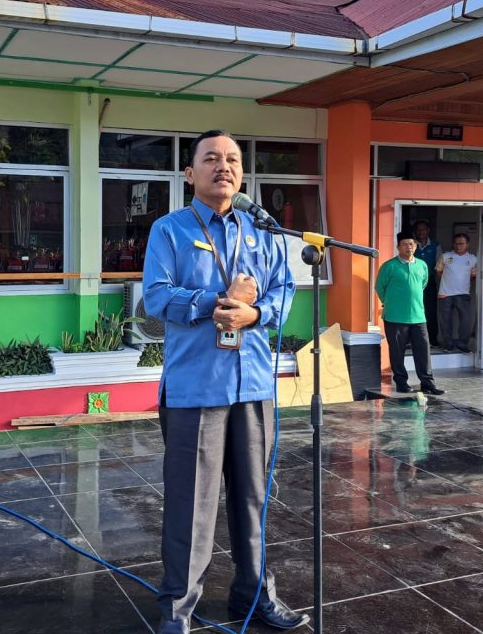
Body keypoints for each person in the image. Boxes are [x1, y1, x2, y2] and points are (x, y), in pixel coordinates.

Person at [143, 130, 306, 634]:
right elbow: (156, 296)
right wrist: (216, 301)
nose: (224, 166)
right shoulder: (169, 230)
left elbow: (285, 290)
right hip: (197, 388)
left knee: (253, 498)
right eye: (211, 158)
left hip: (253, 385)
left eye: (233, 159)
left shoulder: (263, 230)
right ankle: (177, 610)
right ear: (189, 172)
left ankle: (253, 596)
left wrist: (254, 314)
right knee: (191, 504)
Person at [375, 232, 445, 396]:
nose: (409, 247)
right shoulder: (389, 266)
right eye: (405, 244)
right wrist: (390, 302)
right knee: (397, 351)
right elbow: (380, 287)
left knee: (423, 351)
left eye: (412, 244)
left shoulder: (422, 265)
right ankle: (401, 382)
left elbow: (423, 284)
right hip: (395, 316)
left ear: (416, 246)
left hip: (418, 316)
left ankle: (427, 383)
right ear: (398, 247)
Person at [435, 233, 478, 351]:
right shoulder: (445, 256)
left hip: (463, 294)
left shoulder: (473, 259)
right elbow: (439, 272)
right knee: (445, 321)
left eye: (461, 243)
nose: (458, 246)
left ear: (467, 244)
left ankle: (462, 344)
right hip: (445, 294)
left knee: (465, 320)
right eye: (456, 243)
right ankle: (448, 345)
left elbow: (473, 276)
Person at [412, 220, 441, 346]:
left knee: (430, 310)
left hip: (429, 282)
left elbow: (439, 264)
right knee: (414, 309)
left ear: (428, 230)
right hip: (413, 282)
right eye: (418, 229)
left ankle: (432, 339)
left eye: (423, 229)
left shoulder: (435, 245)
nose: (421, 232)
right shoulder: (412, 245)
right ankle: (413, 339)